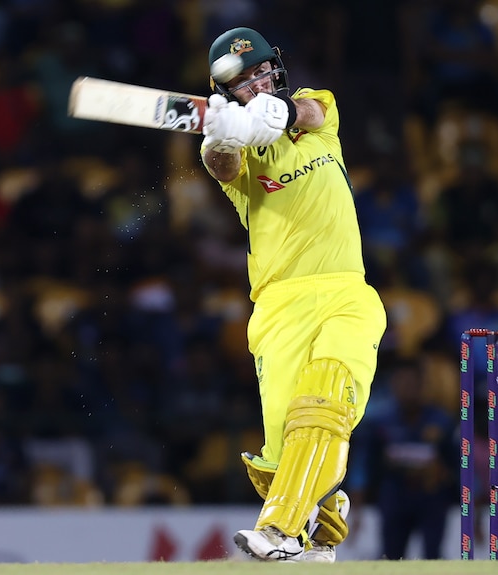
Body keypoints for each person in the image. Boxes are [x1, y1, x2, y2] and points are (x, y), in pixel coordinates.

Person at [200, 27, 387, 562]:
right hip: (279, 307)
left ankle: (280, 530)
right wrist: (223, 137)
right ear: (226, 94)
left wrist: (277, 111)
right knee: (281, 456)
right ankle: (322, 525)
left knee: (322, 404)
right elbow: (224, 169)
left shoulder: (317, 115)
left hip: (347, 293)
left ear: (276, 71)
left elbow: (312, 113)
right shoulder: (240, 152)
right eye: (244, 82)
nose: (258, 84)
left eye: (263, 72)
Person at [347, 357, 457, 559]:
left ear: (423, 385)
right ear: (393, 385)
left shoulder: (441, 421)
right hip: (394, 496)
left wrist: (474, 512)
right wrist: (357, 509)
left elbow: (461, 465)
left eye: (412, 383)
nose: (406, 389)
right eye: (401, 382)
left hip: (432, 496)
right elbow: (362, 466)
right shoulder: (381, 421)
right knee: (391, 555)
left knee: (433, 556)